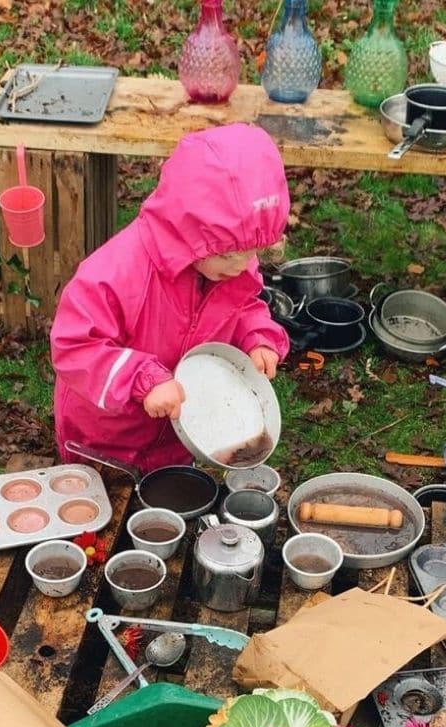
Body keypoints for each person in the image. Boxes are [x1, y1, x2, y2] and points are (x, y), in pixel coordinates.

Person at [51, 122, 291, 473]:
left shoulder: (227, 265)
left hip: (180, 432)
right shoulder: (114, 274)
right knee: (104, 516)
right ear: (190, 232)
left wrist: (257, 336)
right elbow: (75, 347)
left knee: (167, 506)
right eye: (227, 254)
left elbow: (244, 306)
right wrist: (142, 379)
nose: (240, 266)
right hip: (107, 438)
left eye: (252, 252)